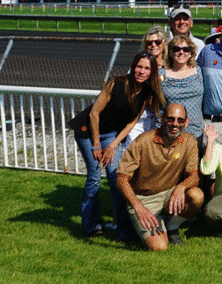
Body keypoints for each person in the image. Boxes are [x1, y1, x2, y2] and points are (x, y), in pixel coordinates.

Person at [74, 52, 165, 240]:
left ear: (152, 72)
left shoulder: (146, 92)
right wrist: (96, 145)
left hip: (110, 134)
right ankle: (91, 226)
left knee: (116, 178)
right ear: (133, 67)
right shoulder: (115, 84)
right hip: (88, 131)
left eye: (147, 68)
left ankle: (123, 231)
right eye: (139, 67)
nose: (142, 71)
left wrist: (113, 145)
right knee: (94, 177)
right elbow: (94, 114)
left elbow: (132, 123)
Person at [114, 103, 204, 250]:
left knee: (196, 196)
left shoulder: (190, 141)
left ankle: (171, 226)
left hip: (170, 194)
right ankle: (138, 223)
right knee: (159, 247)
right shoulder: (143, 141)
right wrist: (138, 207)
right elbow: (121, 179)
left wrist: (181, 187)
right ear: (162, 119)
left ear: (186, 122)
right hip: (144, 199)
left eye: (180, 120)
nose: (175, 124)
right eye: (171, 119)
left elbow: (194, 176)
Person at [160, 34, 205, 151]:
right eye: (176, 49)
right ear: (170, 52)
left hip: (195, 133)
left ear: (191, 53)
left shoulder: (198, 72)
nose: (181, 52)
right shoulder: (162, 74)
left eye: (186, 49)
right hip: (170, 132)